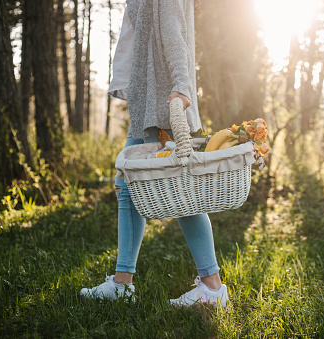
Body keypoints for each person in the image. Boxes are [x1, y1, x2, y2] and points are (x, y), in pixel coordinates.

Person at [80, 0, 229, 307]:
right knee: (127, 185)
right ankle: (123, 281)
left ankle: (212, 287)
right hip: (149, 99)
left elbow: (174, 31)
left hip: (163, 100)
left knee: (184, 191)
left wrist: (181, 85)